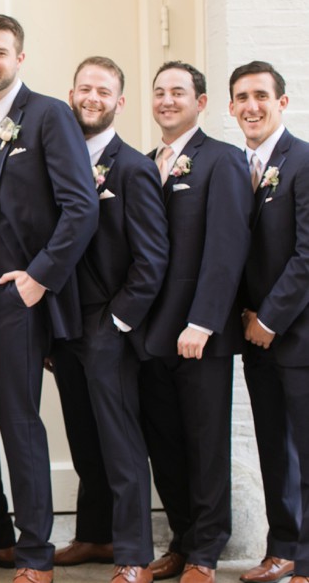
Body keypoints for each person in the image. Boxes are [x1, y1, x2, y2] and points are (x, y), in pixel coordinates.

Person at [0, 14, 99, 583]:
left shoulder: (48, 115)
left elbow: (82, 205)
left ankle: (36, 551)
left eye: (0, 52)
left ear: (20, 58)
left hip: (18, 301)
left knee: (19, 423)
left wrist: (38, 278)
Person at [48, 56, 169, 583]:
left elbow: (153, 258)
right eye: (85, 89)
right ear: (72, 94)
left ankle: (133, 555)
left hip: (107, 326)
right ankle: (94, 535)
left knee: (120, 443)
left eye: (104, 91)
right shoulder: (57, 159)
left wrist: (119, 322)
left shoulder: (133, 168)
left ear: (119, 102)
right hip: (65, 325)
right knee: (84, 439)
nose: (92, 98)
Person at [140, 61, 251, 583]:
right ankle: (182, 542)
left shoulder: (221, 161)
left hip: (199, 334)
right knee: (164, 443)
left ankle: (207, 551)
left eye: (178, 92)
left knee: (206, 444)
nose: (167, 100)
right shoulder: (143, 164)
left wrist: (204, 322)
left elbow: (227, 248)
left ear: (201, 102)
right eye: (159, 92)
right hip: (151, 334)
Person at [232, 61, 309, 583]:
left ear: (282, 103)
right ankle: (281, 549)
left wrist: (272, 318)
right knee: (274, 450)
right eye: (241, 97)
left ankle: (306, 558)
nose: (251, 106)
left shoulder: (302, 161)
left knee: (306, 449)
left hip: (297, 334)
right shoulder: (238, 165)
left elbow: (307, 254)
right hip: (253, 336)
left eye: (261, 95)